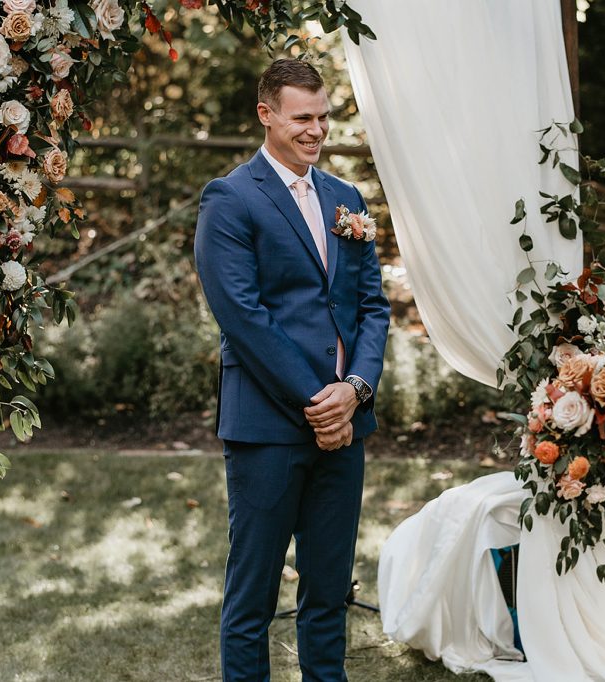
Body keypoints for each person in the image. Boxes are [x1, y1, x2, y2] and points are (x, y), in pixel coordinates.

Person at [193, 58, 391, 682]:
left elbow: (371, 307)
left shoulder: (345, 198)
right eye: (302, 117)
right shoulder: (230, 199)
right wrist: (320, 402)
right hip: (269, 429)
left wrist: (355, 392)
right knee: (251, 600)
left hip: (344, 426)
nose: (315, 130)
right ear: (267, 114)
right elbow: (244, 319)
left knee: (328, 593)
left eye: (324, 117)